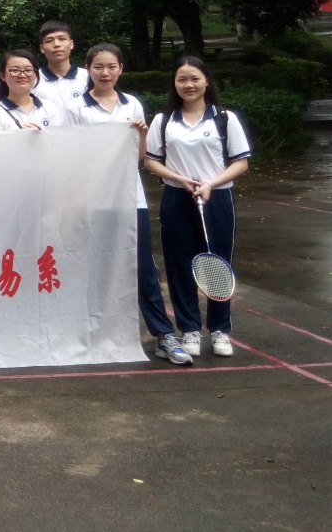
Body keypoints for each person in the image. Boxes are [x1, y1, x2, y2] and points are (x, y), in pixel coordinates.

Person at [63, 45, 191, 365]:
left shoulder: (131, 104)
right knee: (92, 265)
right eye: (98, 67)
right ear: (88, 69)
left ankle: (164, 335)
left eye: (111, 66)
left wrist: (142, 135)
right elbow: (69, 156)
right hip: (92, 199)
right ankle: (89, 335)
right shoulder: (75, 107)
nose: (105, 73)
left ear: (121, 68)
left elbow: (139, 157)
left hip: (130, 197)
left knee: (143, 266)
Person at [144, 56, 250, 358]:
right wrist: (179, 178)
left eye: (194, 79)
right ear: (174, 84)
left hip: (217, 198)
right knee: (179, 265)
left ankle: (220, 330)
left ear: (206, 81)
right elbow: (151, 161)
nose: (188, 85)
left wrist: (211, 184)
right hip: (178, 198)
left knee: (219, 263)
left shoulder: (225, 119)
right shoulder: (164, 119)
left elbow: (241, 162)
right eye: (182, 79)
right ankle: (189, 328)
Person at [0, 50, 61, 133]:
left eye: (28, 70)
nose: (22, 75)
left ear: (36, 74)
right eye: (15, 70)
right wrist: (22, 136)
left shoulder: (49, 108)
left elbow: (57, 139)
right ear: (3, 76)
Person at [32, 21, 89, 110]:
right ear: (42, 48)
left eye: (62, 39)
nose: (56, 44)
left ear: (71, 44)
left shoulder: (88, 77)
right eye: (49, 41)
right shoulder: (32, 80)